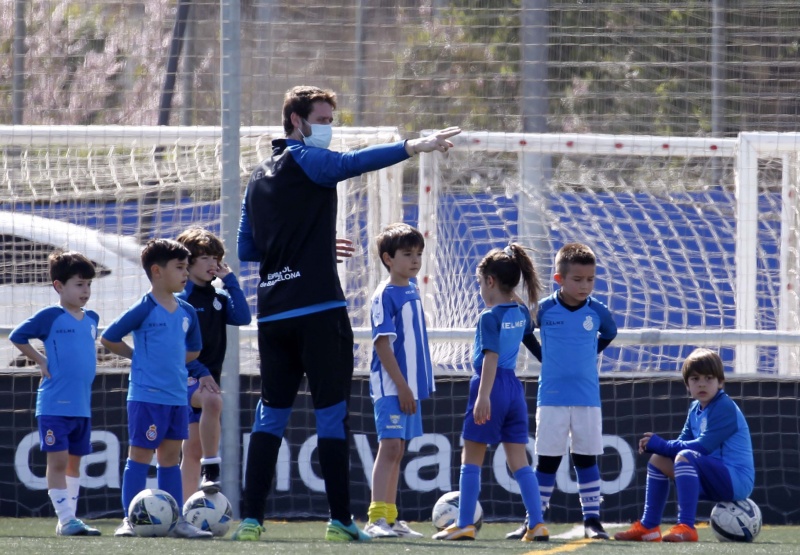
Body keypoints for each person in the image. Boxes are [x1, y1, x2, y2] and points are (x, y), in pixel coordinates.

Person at [233, 84, 460, 542]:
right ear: (296, 121)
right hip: (318, 311)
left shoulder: (256, 177)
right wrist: (414, 146)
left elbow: (248, 249)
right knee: (331, 416)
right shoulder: (308, 158)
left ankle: (251, 521)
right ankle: (339, 521)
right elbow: (351, 164)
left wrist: (308, 245)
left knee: (270, 416)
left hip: (273, 314)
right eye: (323, 120)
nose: (329, 129)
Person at [433, 243, 549, 542]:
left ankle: (464, 524)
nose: (480, 290)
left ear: (490, 281)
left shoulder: (489, 317)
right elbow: (531, 338)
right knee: (519, 462)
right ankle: (537, 523)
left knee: (471, 458)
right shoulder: (520, 311)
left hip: (491, 385)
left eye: (480, 283)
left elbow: (490, 357)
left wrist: (483, 396)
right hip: (514, 390)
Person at [100, 239, 212, 539]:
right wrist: (137, 357)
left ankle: (175, 521)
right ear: (157, 271)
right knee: (139, 455)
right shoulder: (144, 308)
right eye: (179, 267)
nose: (185, 273)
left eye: (186, 267)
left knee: (170, 458)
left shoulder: (187, 311)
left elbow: (194, 350)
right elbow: (109, 338)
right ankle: (130, 519)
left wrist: (171, 362)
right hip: (146, 396)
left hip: (176, 397)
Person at [506, 242, 617, 540]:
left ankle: (592, 521)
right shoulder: (545, 309)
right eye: (577, 279)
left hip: (587, 398)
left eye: (590, 279)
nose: (585, 286)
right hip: (552, 397)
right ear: (559, 279)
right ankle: (534, 519)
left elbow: (610, 332)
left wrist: (590, 353)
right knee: (547, 461)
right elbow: (525, 331)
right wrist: (544, 356)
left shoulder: (597, 311)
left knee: (586, 459)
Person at [615, 348, 755, 543]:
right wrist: (659, 448)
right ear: (687, 385)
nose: (702, 384)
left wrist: (661, 444)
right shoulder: (695, 408)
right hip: (711, 476)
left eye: (709, 378)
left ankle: (687, 526)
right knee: (658, 460)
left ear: (721, 382)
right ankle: (649, 527)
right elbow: (682, 441)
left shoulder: (724, 406)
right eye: (695, 379)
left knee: (685, 455)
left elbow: (702, 447)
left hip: (736, 481)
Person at [9, 251, 102, 537]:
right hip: (54, 404)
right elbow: (17, 336)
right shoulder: (50, 316)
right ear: (59, 286)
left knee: (75, 462)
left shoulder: (92, 319)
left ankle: (69, 519)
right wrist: (40, 359)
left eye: (88, 284)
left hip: (81, 406)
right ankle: (65, 517)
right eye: (79, 284)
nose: (85, 290)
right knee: (58, 461)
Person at [363, 223, 434, 539]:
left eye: (418, 253)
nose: (415, 260)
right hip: (391, 385)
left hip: (409, 386)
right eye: (407, 254)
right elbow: (382, 344)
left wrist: (412, 387)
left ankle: (390, 519)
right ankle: (375, 518)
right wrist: (403, 386)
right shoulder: (384, 294)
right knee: (389, 446)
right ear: (388, 259)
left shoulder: (413, 288)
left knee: (399, 449)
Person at [176, 227, 251, 502]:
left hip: (208, 377)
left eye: (216, 258)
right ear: (188, 262)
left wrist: (230, 281)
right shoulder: (181, 299)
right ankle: (212, 467)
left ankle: (184, 509)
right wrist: (201, 371)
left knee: (191, 451)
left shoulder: (218, 298)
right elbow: (179, 347)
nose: (212, 264)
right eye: (205, 258)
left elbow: (243, 317)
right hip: (186, 376)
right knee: (213, 400)